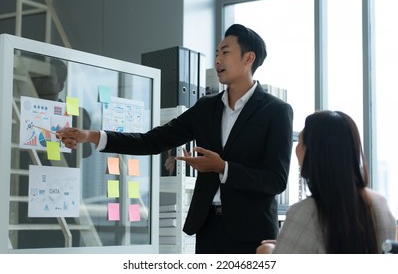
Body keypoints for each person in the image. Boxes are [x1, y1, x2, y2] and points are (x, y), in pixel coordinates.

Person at [57, 24, 294, 254]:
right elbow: (152, 141)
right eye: (216, 54)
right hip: (208, 228)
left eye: (225, 52)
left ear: (248, 58)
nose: (217, 60)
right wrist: (92, 135)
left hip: (254, 234)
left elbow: (276, 180)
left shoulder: (276, 111)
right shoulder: (206, 108)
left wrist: (222, 168)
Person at [256, 110, 396, 254]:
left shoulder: (305, 212)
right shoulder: (380, 204)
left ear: (314, 154)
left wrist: (269, 251)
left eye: (300, 142)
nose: (296, 149)